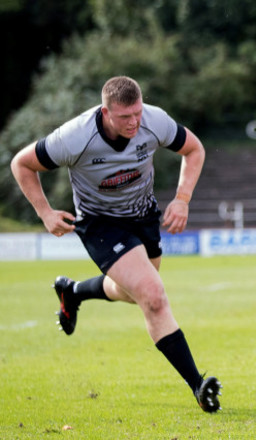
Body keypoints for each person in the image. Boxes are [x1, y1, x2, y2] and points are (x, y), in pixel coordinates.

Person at [10, 76, 222, 413]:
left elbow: (193, 149)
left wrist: (182, 199)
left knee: (132, 292)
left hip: (142, 215)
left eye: (137, 113)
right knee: (153, 295)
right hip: (100, 223)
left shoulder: (154, 121)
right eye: (125, 117)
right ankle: (198, 385)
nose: (134, 122)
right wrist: (45, 212)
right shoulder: (74, 137)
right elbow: (21, 163)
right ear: (106, 111)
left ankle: (73, 292)